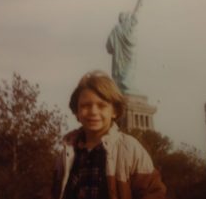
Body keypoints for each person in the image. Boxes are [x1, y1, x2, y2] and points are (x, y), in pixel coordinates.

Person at [51, 70, 166, 199]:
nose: (93, 111)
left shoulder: (130, 149)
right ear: (76, 112)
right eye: (85, 105)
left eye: (101, 106)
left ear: (115, 111)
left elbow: (153, 193)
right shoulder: (67, 154)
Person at [106, 0, 145, 94]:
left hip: (119, 58)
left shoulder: (115, 30)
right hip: (130, 54)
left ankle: (123, 83)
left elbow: (109, 47)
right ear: (125, 19)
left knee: (122, 71)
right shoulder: (129, 25)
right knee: (130, 68)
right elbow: (137, 11)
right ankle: (126, 83)